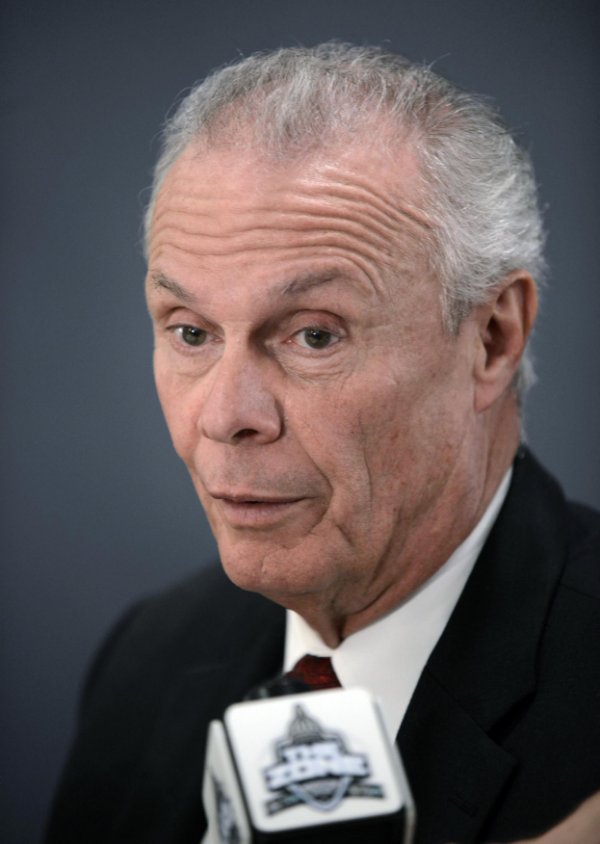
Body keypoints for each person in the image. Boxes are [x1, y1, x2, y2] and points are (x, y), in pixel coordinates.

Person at [45, 44, 600, 843]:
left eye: (314, 335)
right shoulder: (147, 657)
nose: (225, 416)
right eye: (192, 332)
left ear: (491, 339)